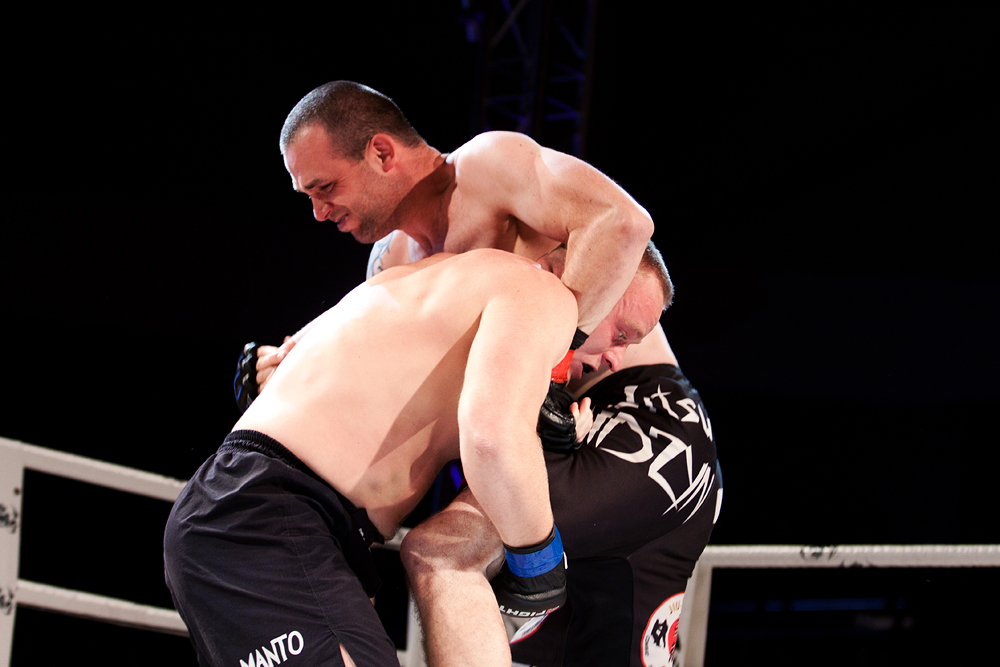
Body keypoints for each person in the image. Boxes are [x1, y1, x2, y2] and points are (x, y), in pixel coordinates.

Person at [164, 246, 669, 667]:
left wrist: (546, 421)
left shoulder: (456, 288)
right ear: (586, 274)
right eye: (621, 333)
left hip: (301, 524)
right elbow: (491, 440)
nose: (615, 358)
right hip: (265, 517)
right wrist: (539, 558)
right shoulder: (540, 293)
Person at [237, 80, 654, 403]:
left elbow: (623, 221)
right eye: (308, 196)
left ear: (381, 154)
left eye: (326, 187)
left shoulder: (487, 166)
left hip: (635, 391)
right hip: (554, 412)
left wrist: (555, 363)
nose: (318, 212)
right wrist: (285, 364)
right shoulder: (390, 261)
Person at [401, 325, 722, 667]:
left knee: (448, 552)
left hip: (648, 421)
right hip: (649, 418)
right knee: (576, 597)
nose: (615, 353)